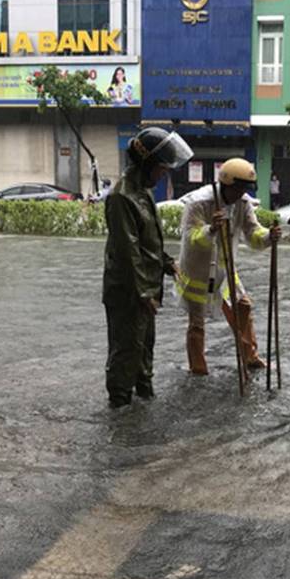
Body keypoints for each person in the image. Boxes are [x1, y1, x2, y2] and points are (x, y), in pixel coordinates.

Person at [103, 127, 192, 408]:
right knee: (126, 350)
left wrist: (168, 263)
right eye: (162, 169)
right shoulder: (122, 196)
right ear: (148, 164)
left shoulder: (143, 192)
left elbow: (147, 242)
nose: (164, 174)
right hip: (129, 291)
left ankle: (144, 398)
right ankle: (119, 407)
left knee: (144, 349)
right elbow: (127, 251)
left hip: (146, 289)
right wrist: (144, 294)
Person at [174, 158, 282, 376]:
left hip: (225, 268)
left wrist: (269, 236)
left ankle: (250, 356)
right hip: (198, 271)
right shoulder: (199, 203)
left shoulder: (243, 203)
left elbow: (253, 233)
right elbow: (190, 238)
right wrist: (211, 229)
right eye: (238, 188)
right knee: (197, 323)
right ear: (226, 184)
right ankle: (198, 368)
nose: (241, 193)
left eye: (245, 189)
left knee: (243, 306)